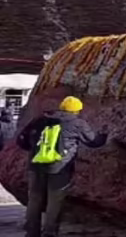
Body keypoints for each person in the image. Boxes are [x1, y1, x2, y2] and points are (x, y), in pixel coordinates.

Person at [16, 96, 108, 237]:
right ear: (76, 110)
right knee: (55, 201)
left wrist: (34, 151)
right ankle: (49, 232)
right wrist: (104, 135)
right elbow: (94, 142)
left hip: (36, 166)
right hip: (60, 168)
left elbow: (21, 140)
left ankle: (31, 232)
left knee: (34, 199)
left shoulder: (40, 120)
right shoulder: (77, 123)